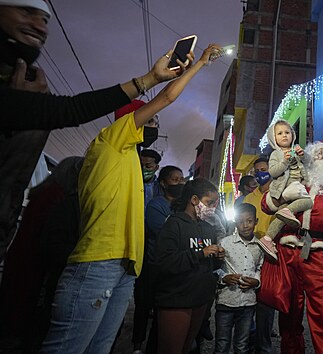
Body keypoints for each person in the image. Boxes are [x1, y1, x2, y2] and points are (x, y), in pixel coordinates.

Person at [39, 44, 225, 353]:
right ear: (132, 120)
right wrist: (201, 63)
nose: (154, 126)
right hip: (97, 264)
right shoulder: (112, 140)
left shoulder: (129, 161)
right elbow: (167, 96)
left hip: (124, 269)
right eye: (150, 122)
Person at [0, 0, 195, 262]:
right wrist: (166, 74)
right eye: (25, 12)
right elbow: (73, 110)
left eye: (45, 20)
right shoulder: (115, 138)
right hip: (98, 259)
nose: (39, 26)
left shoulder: (26, 87)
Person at [258, 141, 323, 353]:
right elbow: (266, 205)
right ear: (309, 158)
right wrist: (281, 188)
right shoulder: (295, 180)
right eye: (318, 153)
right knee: (289, 312)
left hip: (321, 255)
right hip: (288, 251)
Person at [0, 157, 83, 352]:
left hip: (23, 258)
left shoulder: (46, 192)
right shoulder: (57, 198)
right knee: (22, 317)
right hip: (34, 264)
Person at [153, 178, 225, 354]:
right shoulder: (174, 224)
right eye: (209, 203)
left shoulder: (208, 228)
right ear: (194, 200)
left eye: (214, 204)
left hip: (200, 299)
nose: (212, 208)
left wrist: (218, 257)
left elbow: (210, 263)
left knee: (187, 347)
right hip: (177, 299)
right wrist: (201, 253)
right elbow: (164, 261)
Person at [132, 165, 185, 354]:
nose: (179, 183)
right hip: (154, 264)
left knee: (163, 310)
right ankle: (137, 344)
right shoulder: (156, 205)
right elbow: (162, 233)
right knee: (144, 305)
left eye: (181, 179)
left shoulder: (183, 206)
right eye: (175, 179)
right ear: (163, 183)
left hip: (173, 267)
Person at [256, 119, 313, 260]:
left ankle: (268, 239)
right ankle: (288, 211)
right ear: (273, 138)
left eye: (287, 132)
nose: (284, 135)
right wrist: (285, 161)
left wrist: (303, 155)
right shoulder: (276, 154)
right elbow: (273, 172)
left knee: (281, 219)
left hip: (296, 186)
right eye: (280, 133)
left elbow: (309, 162)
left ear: (293, 135)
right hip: (284, 188)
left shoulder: (296, 149)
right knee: (308, 202)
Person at [214, 203, 264, 354]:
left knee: (242, 344)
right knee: (222, 344)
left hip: (248, 303)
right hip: (226, 301)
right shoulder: (225, 243)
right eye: (241, 221)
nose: (245, 225)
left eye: (249, 221)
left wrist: (256, 281)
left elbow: (259, 268)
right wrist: (225, 278)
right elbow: (215, 268)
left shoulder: (260, 246)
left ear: (256, 221)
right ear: (235, 222)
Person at [242, 157, 277, 354]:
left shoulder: (279, 194)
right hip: (251, 252)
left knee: (265, 304)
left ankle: (263, 347)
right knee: (247, 301)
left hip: (271, 255)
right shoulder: (249, 198)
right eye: (257, 170)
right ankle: (245, 344)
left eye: (264, 169)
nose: (260, 173)